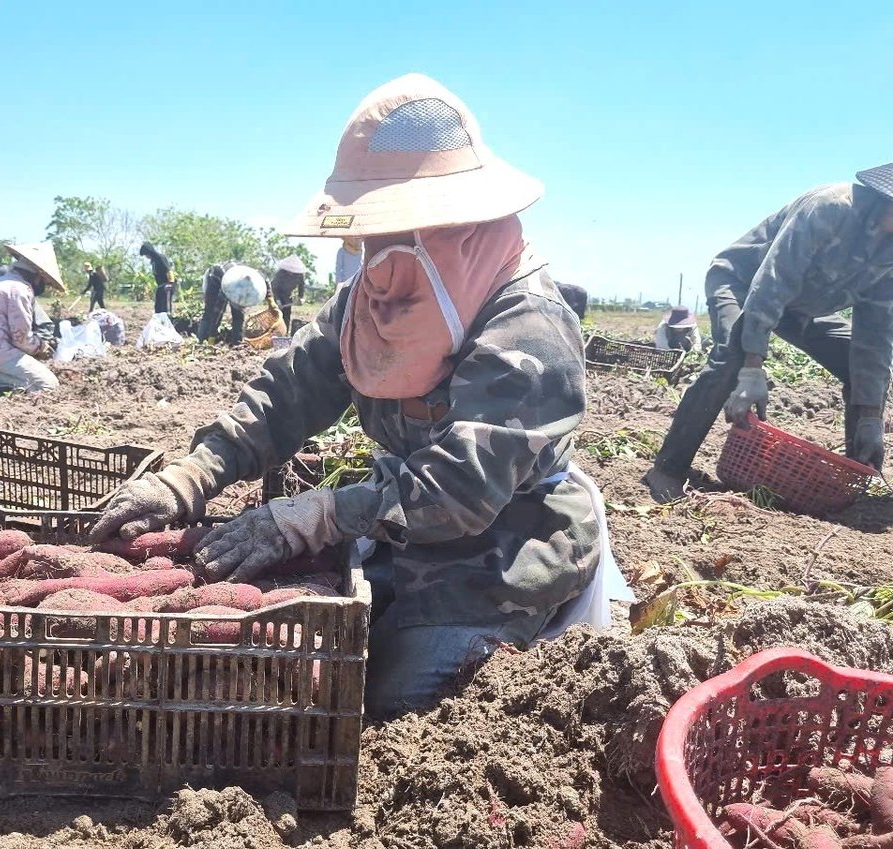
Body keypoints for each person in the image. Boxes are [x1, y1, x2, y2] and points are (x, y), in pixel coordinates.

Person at [91, 74, 616, 720]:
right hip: (404, 536)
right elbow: (291, 388)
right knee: (326, 649)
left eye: (387, 237)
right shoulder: (378, 296)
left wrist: (310, 516)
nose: (371, 261)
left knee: (396, 704)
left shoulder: (530, 329)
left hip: (506, 557)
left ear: (457, 227)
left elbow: (459, 492)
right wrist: (191, 475)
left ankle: (507, 657)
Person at [645, 166, 893, 502]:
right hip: (743, 284)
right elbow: (772, 282)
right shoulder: (830, 208)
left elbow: (875, 336)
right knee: (730, 358)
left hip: (803, 307)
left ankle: (851, 479)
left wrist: (870, 417)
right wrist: (751, 366)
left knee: (858, 366)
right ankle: (667, 469)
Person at [0, 242, 67, 392]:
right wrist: (40, 347)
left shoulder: (1, 283)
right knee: (48, 385)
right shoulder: (20, 289)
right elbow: (22, 339)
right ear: (38, 276)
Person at [271, 255, 307, 330]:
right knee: (276, 315)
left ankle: (285, 332)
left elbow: (301, 286)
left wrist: (301, 297)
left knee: (286, 315)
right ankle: (275, 332)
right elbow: (274, 288)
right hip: (278, 293)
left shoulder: (300, 275)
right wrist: (278, 300)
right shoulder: (280, 274)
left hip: (288, 295)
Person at [140, 241, 175, 314]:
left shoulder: (160, 258)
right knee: (158, 309)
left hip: (167, 286)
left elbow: (168, 271)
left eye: (146, 254)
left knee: (166, 309)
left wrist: (170, 283)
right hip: (160, 286)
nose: (146, 257)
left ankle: (168, 322)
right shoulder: (153, 261)